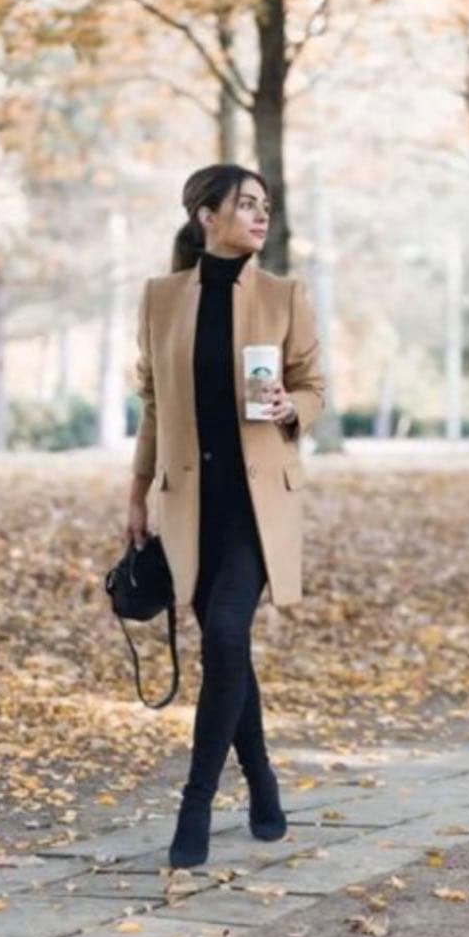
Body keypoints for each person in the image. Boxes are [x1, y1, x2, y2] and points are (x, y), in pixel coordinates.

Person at [125, 163, 326, 868]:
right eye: (247, 204)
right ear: (206, 216)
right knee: (227, 648)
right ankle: (263, 783)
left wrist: (293, 407)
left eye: (265, 205)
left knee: (225, 631)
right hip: (190, 504)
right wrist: (137, 494)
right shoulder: (160, 299)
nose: (261, 215)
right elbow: (153, 405)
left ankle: (197, 804)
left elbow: (314, 385)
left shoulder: (283, 294)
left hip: (256, 507)